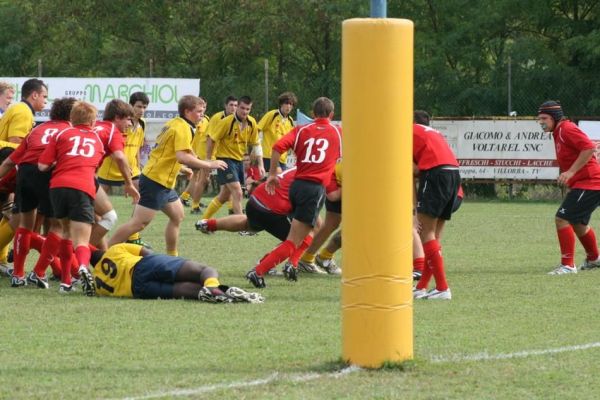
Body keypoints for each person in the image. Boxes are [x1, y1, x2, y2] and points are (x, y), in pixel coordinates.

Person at [107, 96, 227, 256]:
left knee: (177, 216)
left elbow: (169, 152)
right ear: (187, 111)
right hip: (155, 181)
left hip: (163, 181)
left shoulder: (177, 123)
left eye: (203, 111)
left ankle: (172, 257)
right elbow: (181, 156)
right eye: (199, 111)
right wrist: (209, 164)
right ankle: (103, 252)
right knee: (138, 224)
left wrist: (185, 168)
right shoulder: (183, 128)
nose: (202, 115)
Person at [246, 97, 342, 288]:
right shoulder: (337, 132)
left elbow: (277, 147)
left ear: (313, 114)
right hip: (313, 190)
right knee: (295, 240)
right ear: (331, 115)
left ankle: (293, 264)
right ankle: (258, 271)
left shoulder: (301, 130)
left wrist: (272, 174)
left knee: (306, 234)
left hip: (296, 185)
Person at [0, 97, 76, 287]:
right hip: (47, 173)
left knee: (25, 225)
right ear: (72, 115)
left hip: (25, 173)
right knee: (58, 226)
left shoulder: (37, 129)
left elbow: (10, 161)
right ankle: (39, 272)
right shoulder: (70, 131)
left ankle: (18, 275)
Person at [38, 101, 106, 294]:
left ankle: (66, 282)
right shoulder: (97, 139)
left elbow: (42, 166)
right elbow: (95, 166)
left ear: (72, 118)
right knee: (82, 239)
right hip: (82, 187)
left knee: (66, 232)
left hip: (58, 186)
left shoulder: (62, 134)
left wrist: (61, 161)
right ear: (93, 121)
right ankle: (83, 267)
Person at [537, 101, 600, 275]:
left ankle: (567, 265)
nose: (540, 122)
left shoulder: (566, 129)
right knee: (578, 223)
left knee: (561, 219)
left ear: (555, 117)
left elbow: (588, 148)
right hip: (586, 183)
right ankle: (594, 258)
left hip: (591, 182)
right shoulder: (558, 131)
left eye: (544, 118)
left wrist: (570, 172)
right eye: (539, 118)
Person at [89, 243, 263, 303]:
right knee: (203, 270)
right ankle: (214, 286)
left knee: (181, 291)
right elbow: (147, 252)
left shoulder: (96, 282)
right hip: (143, 266)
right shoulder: (113, 249)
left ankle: (217, 294)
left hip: (137, 290)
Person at [412, 110, 460, 300]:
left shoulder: (401, 133)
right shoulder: (428, 131)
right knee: (434, 236)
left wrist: (414, 211)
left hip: (435, 174)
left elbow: (409, 172)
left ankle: (442, 288)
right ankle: (422, 286)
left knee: (425, 232)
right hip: (453, 173)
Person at [0, 79, 48, 269]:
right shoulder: (23, 110)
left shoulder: (20, 109)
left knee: (10, 213)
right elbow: (15, 144)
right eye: (44, 96)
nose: (45, 101)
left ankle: (2, 259)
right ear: (34, 95)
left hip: (6, 164)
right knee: (17, 216)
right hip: (7, 164)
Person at [201, 95, 264, 218]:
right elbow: (212, 139)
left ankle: (203, 221)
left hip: (238, 161)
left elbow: (256, 143)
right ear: (237, 108)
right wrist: (208, 161)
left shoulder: (252, 123)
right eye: (242, 108)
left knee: (224, 195)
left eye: (248, 109)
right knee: (238, 192)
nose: (244, 111)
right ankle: (241, 225)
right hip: (225, 160)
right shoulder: (226, 122)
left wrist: (260, 164)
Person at [90, 100, 140, 250]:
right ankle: (77, 259)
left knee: (96, 219)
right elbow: (119, 156)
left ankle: (102, 258)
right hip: (82, 178)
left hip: (58, 177)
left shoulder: (94, 125)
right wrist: (129, 184)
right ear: (117, 117)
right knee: (109, 217)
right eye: (128, 119)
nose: (130, 123)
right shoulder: (113, 131)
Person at [181, 95, 237, 212]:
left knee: (228, 181)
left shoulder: (234, 119)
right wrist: (207, 157)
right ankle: (194, 205)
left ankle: (232, 206)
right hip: (205, 152)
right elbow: (209, 138)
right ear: (225, 106)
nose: (233, 108)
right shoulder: (217, 118)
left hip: (220, 153)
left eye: (235, 105)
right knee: (202, 179)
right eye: (231, 105)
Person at [97, 92, 149, 194]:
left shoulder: (143, 123)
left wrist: (137, 168)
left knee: (143, 197)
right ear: (130, 105)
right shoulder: (121, 124)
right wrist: (123, 165)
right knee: (96, 202)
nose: (142, 110)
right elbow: (111, 148)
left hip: (132, 170)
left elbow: (137, 147)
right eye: (139, 106)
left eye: (144, 107)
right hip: (110, 170)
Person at [180, 96, 210, 214]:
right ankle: (192, 202)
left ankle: (187, 198)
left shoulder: (206, 119)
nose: (202, 111)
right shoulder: (189, 123)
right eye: (199, 110)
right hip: (194, 153)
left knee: (200, 179)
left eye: (204, 108)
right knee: (199, 179)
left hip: (202, 154)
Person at [258, 92, 297, 171]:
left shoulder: (290, 121)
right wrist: (256, 148)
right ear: (281, 104)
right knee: (279, 176)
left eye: (291, 104)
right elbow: (257, 129)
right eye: (286, 103)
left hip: (282, 158)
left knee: (277, 181)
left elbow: (291, 140)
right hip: (269, 155)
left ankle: (254, 183)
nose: (289, 106)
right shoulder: (272, 115)